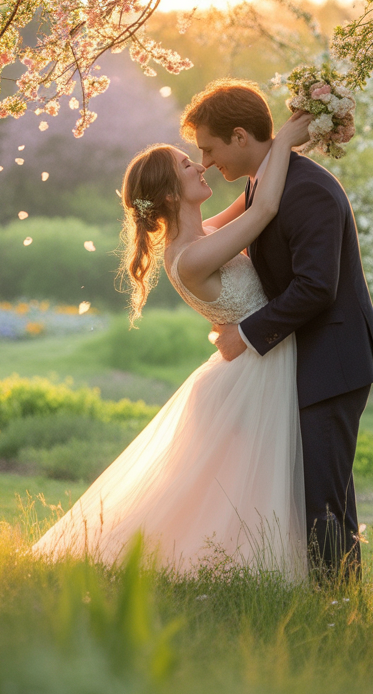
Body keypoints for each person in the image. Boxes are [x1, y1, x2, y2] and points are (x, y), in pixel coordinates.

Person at [32, 109, 314, 579]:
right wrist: (284, 141)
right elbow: (263, 210)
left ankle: (247, 574)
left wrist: (290, 135)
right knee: (249, 489)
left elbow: (252, 196)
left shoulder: (199, 236)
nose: (200, 166)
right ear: (169, 194)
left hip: (252, 365)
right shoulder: (190, 256)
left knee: (237, 491)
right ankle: (241, 576)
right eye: (187, 165)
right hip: (254, 374)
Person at [182, 80, 373, 580]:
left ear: (239, 136)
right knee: (310, 490)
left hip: (333, 361)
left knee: (323, 493)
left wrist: (246, 334)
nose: (207, 162)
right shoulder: (265, 185)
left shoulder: (310, 191)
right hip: (304, 359)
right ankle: (320, 595)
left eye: (209, 149)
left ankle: (337, 603)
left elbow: (317, 288)